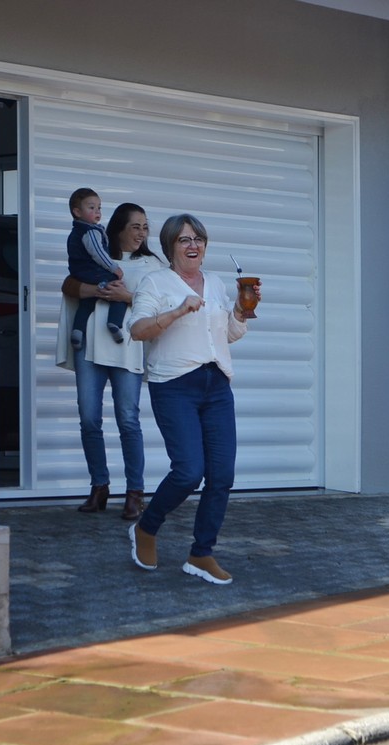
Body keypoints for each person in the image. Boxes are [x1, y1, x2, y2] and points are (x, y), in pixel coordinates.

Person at [123, 213, 257, 585]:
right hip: (174, 385)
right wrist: (178, 310)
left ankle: (201, 553)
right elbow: (137, 329)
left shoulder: (215, 283)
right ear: (170, 246)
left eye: (198, 238)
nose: (193, 245)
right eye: (184, 239)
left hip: (216, 385)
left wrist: (241, 312)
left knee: (222, 475)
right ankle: (146, 527)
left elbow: (226, 335)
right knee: (188, 472)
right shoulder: (155, 282)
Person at [56, 203, 164, 520]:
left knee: (128, 420)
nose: (142, 233)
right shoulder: (97, 253)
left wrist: (126, 297)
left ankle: (135, 493)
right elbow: (69, 285)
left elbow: (162, 303)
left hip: (126, 347)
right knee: (89, 419)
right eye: (135, 226)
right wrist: (97, 289)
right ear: (118, 228)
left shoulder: (153, 265)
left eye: (145, 227)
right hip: (90, 345)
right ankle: (99, 487)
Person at [66, 188, 126, 349]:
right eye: (91, 208)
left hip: (79, 273)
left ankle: (77, 331)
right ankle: (114, 322)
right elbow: (98, 253)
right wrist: (114, 268)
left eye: (99, 207)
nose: (97, 211)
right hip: (92, 271)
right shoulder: (90, 231)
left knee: (87, 302)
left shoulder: (75, 232)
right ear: (77, 212)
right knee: (118, 289)